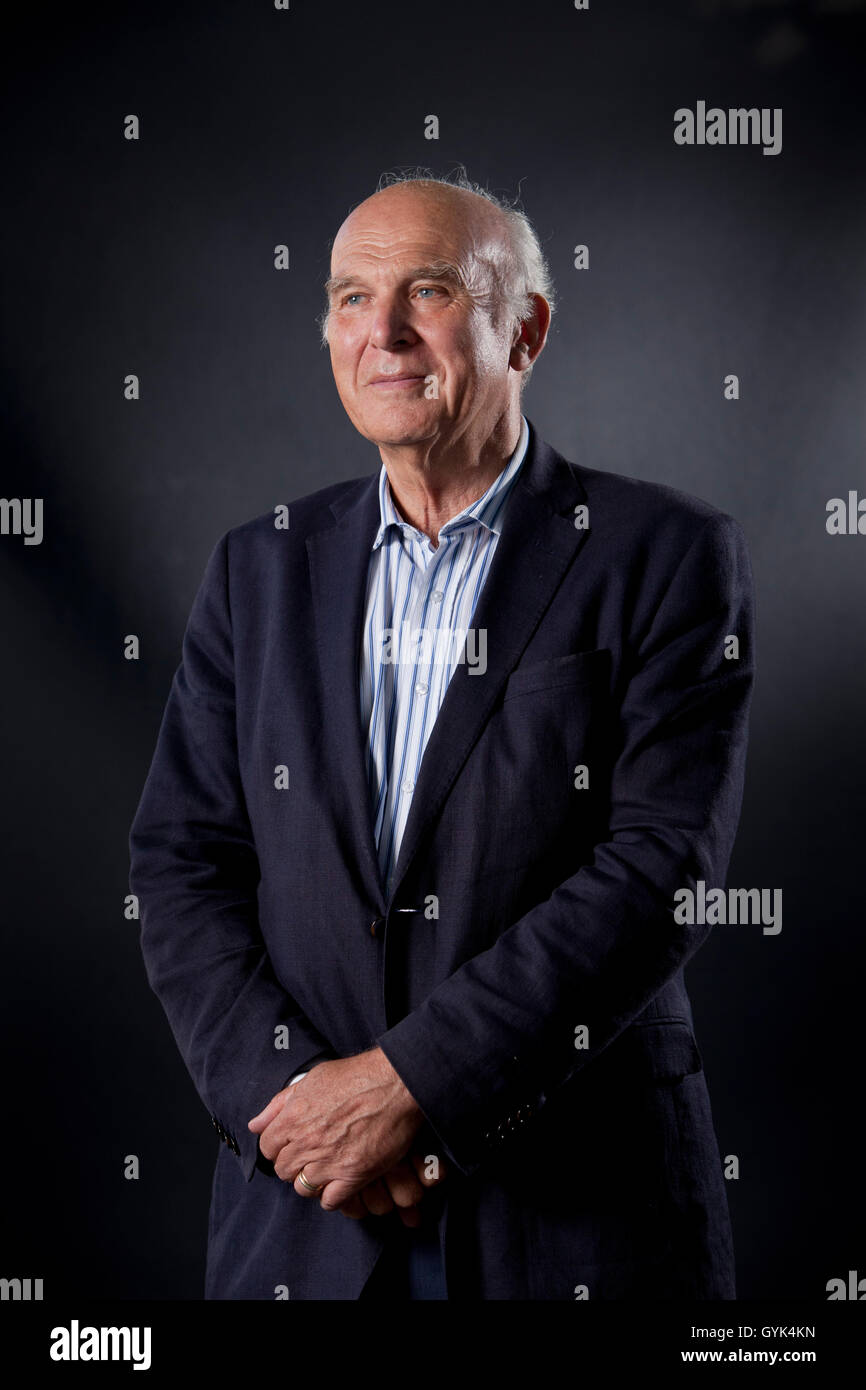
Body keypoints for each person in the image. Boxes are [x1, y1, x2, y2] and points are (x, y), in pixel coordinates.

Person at [129, 169, 754, 1300]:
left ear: (526, 328)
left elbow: (661, 870)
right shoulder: (256, 567)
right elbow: (182, 864)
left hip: (571, 1220)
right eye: (350, 296)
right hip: (305, 1221)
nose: (384, 331)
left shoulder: (664, 553)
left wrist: (411, 1088)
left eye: (428, 290)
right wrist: (304, 1113)